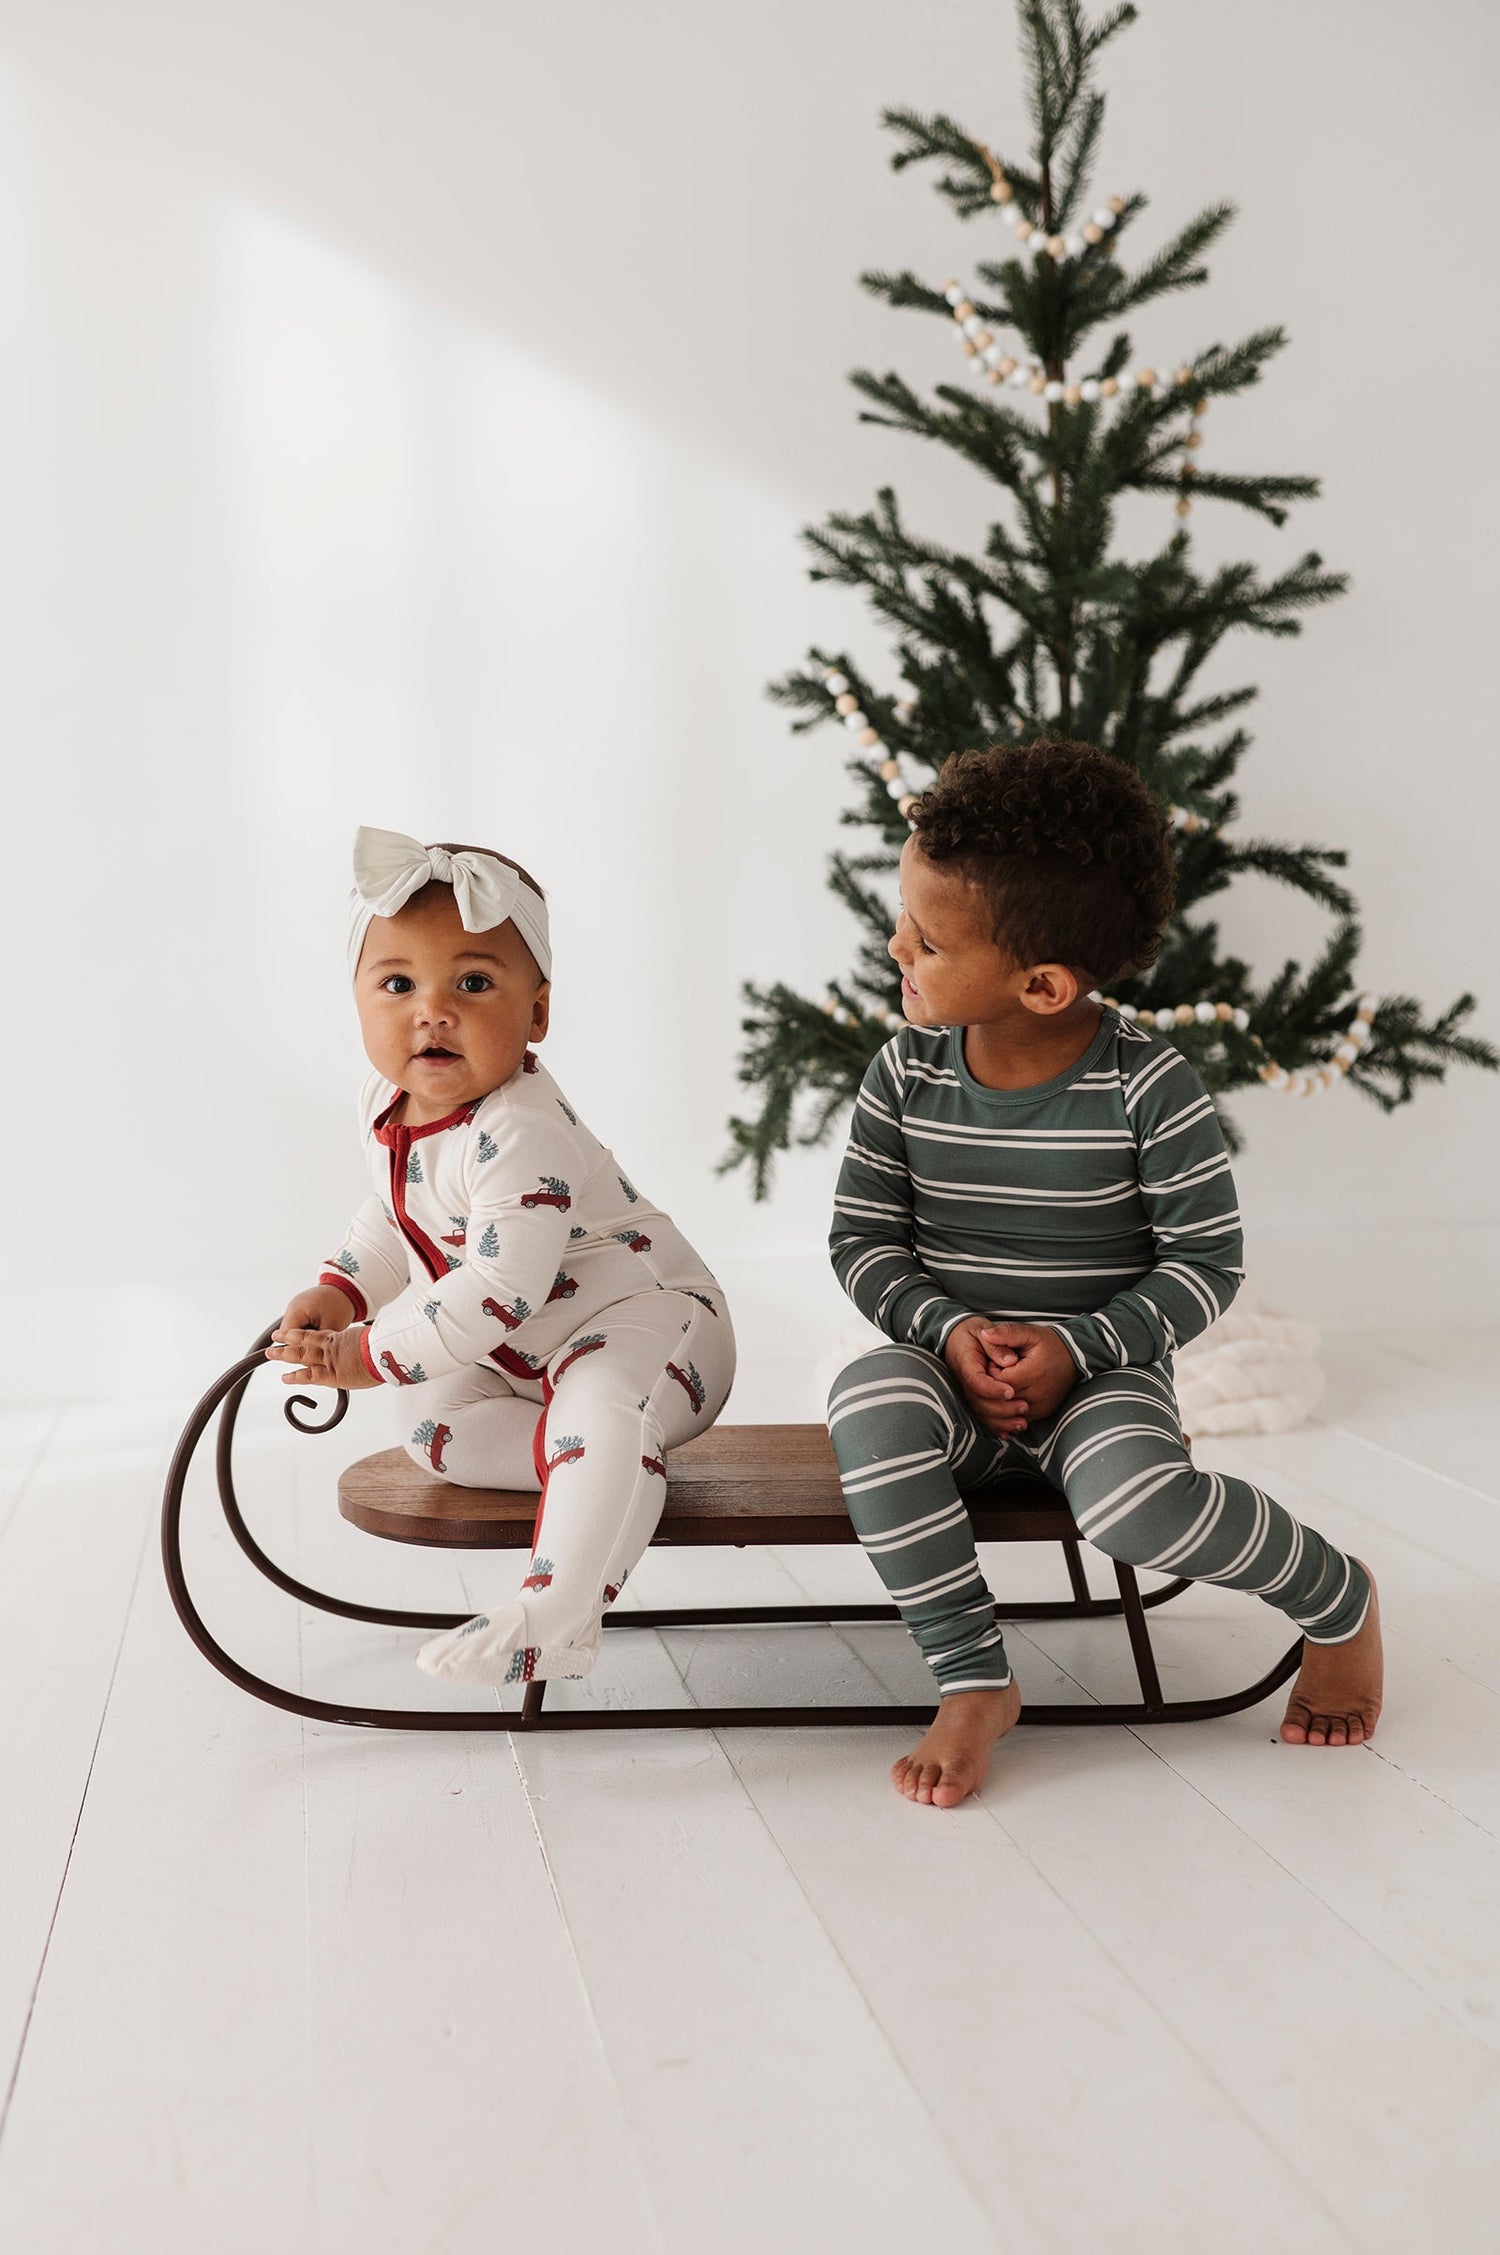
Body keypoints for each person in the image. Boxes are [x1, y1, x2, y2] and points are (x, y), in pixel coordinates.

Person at [826, 741, 1382, 1808]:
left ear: (1041, 985)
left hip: (1101, 1376)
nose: (896, 945)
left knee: (1137, 1506)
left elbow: (1206, 1262)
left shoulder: (1148, 1086)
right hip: (947, 1366)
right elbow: (864, 1242)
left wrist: (1078, 1346)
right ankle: (973, 1677)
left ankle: (1337, 1598)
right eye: (905, 919)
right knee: (868, 1403)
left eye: (927, 939)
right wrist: (948, 1331)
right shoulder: (903, 1074)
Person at [268, 826, 735, 1687]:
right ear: (357, 999)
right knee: (431, 1425)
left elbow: (496, 1287)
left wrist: (367, 1352)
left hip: (651, 1317)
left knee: (602, 1396)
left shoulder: (520, 1129)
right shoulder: (385, 1100)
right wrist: (342, 1288)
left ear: (538, 1014)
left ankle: (557, 1613)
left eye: (474, 983)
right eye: (398, 984)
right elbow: (397, 1211)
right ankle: (598, 1467)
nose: (432, 1010)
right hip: (524, 1359)